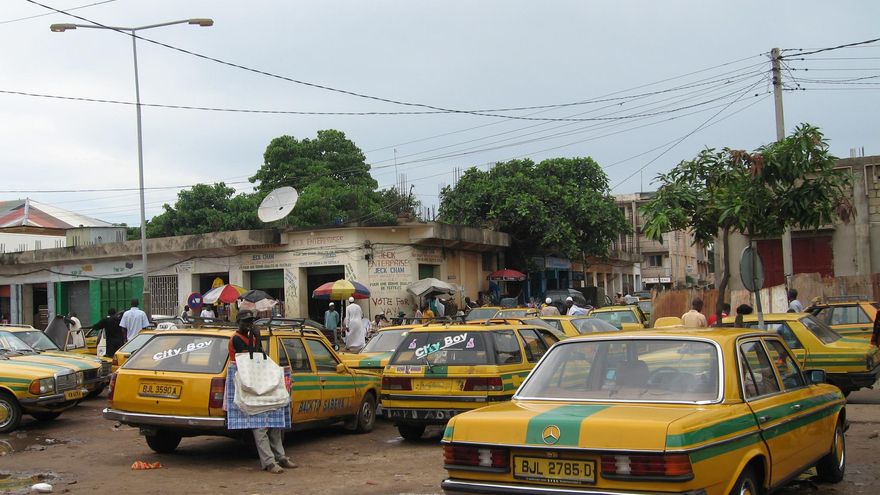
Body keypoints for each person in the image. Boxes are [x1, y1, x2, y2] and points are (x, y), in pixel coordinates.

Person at [228, 310, 296, 474]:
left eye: (250, 322)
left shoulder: (250, 337)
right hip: (247, 384)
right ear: (238, 322)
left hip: (258, 380)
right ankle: (268, 462)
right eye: (245, 322)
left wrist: (257, 341)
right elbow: (247, 358)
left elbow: (261, 356)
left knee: (274, 423)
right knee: (259, 426)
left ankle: (281, 456)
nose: (248, 325)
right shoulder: (236, 338)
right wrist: (257, 339)